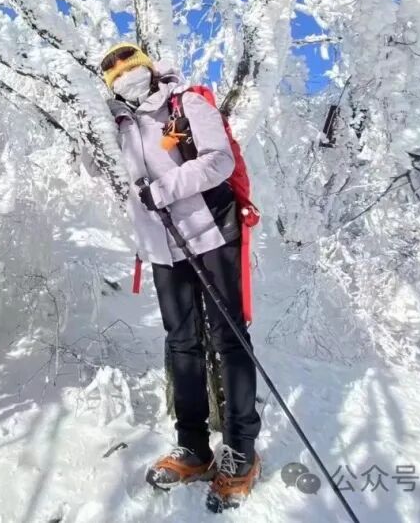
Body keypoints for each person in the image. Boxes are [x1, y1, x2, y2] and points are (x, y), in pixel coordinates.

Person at [101, 41, 262, 512]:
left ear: (149, 68)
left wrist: (164, 189)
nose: (124, 74)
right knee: (181, 343)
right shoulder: (117, 124)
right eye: (115, 73)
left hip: (211, 235)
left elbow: (219, 161)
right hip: (162, 248)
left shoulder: (187, 102)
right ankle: (193, 447)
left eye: (131, 65)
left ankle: (242, 451)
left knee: (229, 339)